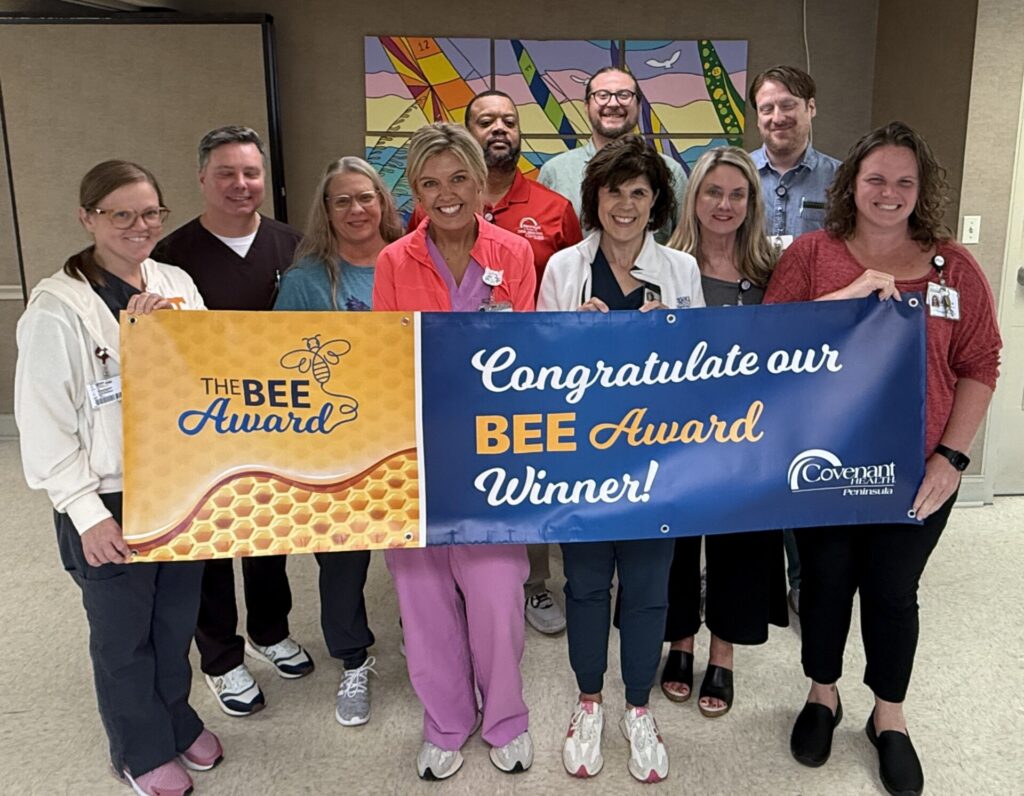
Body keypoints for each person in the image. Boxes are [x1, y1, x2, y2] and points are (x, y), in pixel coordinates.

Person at [765, 121, 1001, 796]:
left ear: (921, 190)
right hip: (824, 463)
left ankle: (888, 718)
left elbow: (980, 363)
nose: (889, 193)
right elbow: (771, 345)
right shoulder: (814, 254)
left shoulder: (954, 268)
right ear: (851, 185)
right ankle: (823, 695)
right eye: (876, 180)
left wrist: (952, 458)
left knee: (894, 593)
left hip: (919, 469)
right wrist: (842, 298)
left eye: (904, 181)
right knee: (827, 582)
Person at [15, 160, 221, 796]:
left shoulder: (175, 280)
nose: (139, 226)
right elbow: (43, 425)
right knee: (123, 634)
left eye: (151, 212)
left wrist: (172, 340)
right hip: (106, 495)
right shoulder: (59, 307)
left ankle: (176, 718)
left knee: (173, 620)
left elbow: (211, 374)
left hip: (177, 483)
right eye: (120, 214)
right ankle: (138, 748)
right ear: (88, 218)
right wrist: (86, 513)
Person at [538, 135, 704, 783]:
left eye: (640, 192)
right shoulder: (562, 270)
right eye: (614, 192)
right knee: (582, 586)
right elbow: (535, 373)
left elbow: (703, 376)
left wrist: (671, 341)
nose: (626, 205)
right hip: (581, 461)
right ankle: (588, 703)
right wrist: (572, 340)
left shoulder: (682, 274)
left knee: (646, 591)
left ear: (658, 201)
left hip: (656, 465)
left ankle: (637, 706)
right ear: (595, 198)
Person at [373, 122, 536, 781]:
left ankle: (504, 719)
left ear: (481, 184)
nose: (446, 194)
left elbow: (532, 356)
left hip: (495, 457)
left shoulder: (515, 255)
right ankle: (444, 722)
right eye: (430, 182)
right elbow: (385, 362)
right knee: (422, 598)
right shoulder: (393, 262)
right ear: (413, 190)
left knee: (497, 596)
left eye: (459, 178)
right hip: (413, 458)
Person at [409, 89, 583, 634]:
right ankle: (452, 596)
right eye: (486, 120)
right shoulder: (426, 213)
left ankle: (530, 588)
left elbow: (566, 281)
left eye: (509, 119)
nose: (499, 128)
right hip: (439, 399)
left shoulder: (554, 208)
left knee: (515, 498)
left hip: (516, 386)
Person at [154, 125, 312, 717]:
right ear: (201, 179)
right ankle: (221, 658)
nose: (240, 185)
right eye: (226, 173)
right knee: (212, 543)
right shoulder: (170, 257)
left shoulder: (292, 244)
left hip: (276, 423)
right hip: (202, 423)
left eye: (250, 173)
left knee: (269, 533)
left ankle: (271, 632)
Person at [272, 156, 402, 726]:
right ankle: (353, 659)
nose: (357, 209)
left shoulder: (412, 260)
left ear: (383, 201)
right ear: (326, 211)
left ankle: (435, 648)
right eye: (342, 200)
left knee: (422, 557)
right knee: (342, 559)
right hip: (338, 444)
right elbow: (281, 366)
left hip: (409, 433)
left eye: (366, 196)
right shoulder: (305, 280)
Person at [660, 147, 788, 716]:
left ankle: (724, 653)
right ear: (694, 197)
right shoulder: (662, 263)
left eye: (738, 194)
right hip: (676, 434)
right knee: (678, 543)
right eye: (713, 192)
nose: (725, 204)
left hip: (750, 436)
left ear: (752, 203)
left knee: (742, 547)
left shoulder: (772, 269)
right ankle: (680, 641)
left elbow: (805, 339)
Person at [748, 65, 841, 615]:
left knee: (808, 459)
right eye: (766, 108)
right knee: (754, 455)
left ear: (811, 108)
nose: (777, 117)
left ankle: (805, 580)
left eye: (788, 105)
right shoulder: (739, 175)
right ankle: (749, 577)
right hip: (752, 339)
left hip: (819, 344)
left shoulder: (842, 179)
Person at [539, 67, 687, 243]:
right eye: (602, 95)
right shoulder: (555, 172)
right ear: (586, 106)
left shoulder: (671, 171)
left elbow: (684, 242)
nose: (613, 103)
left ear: (639, 106)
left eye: (624, 95)